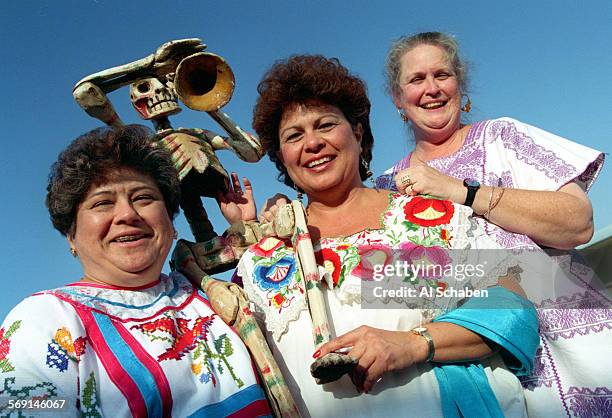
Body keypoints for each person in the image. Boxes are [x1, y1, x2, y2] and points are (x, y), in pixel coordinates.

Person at [200, 55, 540, 417]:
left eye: (326, 125)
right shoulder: (261, 262)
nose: (312, 143)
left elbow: (515, 311)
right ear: (282, 158)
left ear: (357, 132)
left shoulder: (429, 219)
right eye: (294, 136)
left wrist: (413, 344)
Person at [375, 32, 610, 417]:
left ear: (460, 85)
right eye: (417, 80)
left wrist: (462, 192)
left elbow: (578, 223)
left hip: (581, 355)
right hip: (476, 370)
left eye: (442, 75)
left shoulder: (502, 137)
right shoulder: (385, 188)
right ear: (399, 100)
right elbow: (381, 290)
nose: (432, 89)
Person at [0, 125, 272, 417]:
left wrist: (250, 228)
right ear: (71, 234)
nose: (128, 215)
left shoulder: (207, 295)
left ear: (170, 220)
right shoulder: (44, 321)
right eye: (103, 203)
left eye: (144, 198)